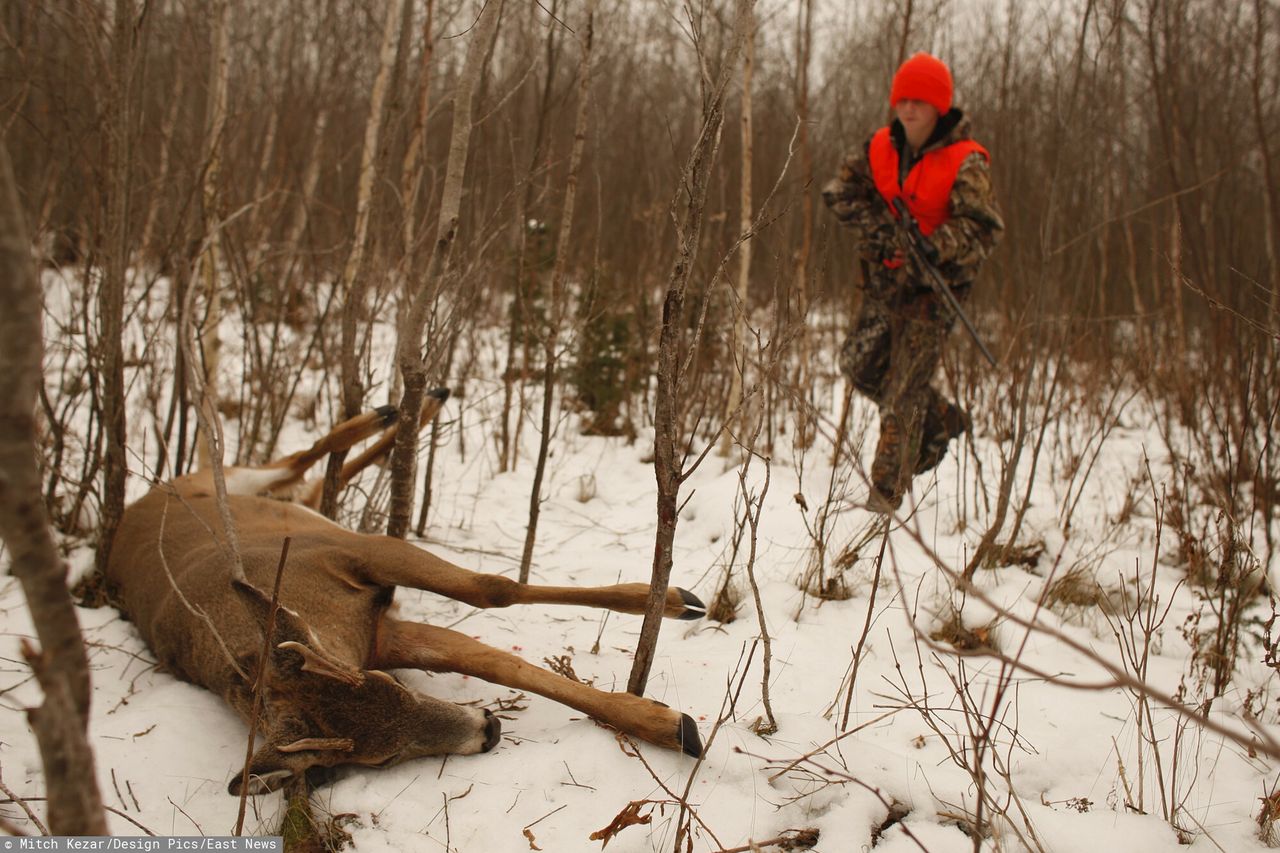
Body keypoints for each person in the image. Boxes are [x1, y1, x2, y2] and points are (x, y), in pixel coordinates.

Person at [822, 52, 1004, 510]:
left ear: (939, 105)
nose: (908, 108)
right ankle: (942, 417)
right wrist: (884, 237)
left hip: (934, 294)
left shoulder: (967, 161)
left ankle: (883, 500)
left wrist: (934, 246)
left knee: (902, 395)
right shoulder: (880, 146)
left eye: (919, 100)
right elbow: (840, 194)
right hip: (887, 283)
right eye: (902, 98)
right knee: (857, 364)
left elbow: (982, 228)